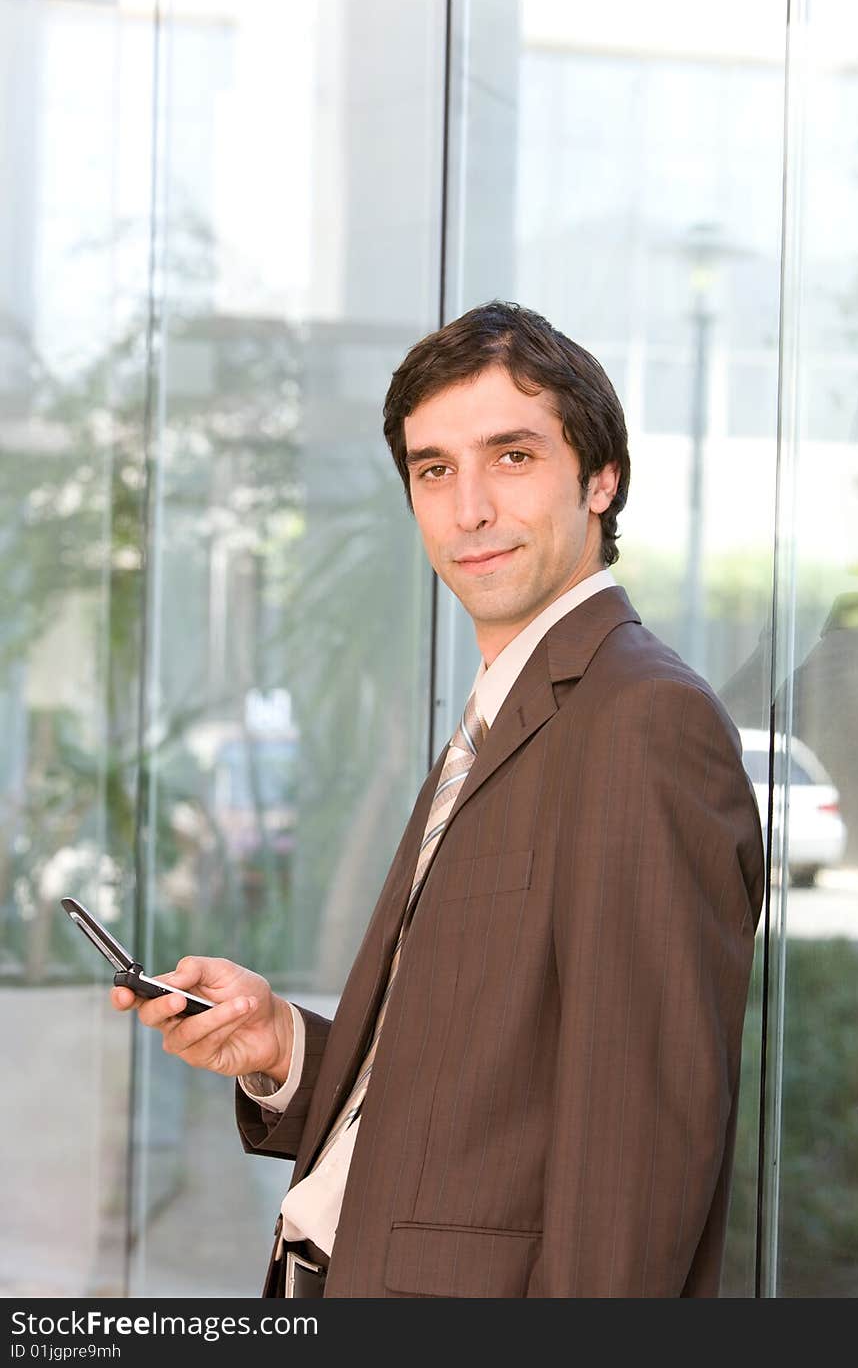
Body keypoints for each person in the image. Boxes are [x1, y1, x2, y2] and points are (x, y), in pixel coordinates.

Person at [112, 301, 765, 1298]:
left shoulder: (642, 722)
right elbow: (480, 1095)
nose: (467, 510)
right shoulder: (511, 714)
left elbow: (636, 1150)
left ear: (601, 477)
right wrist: (285, 1046)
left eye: (510, 457)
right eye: (433, 469)